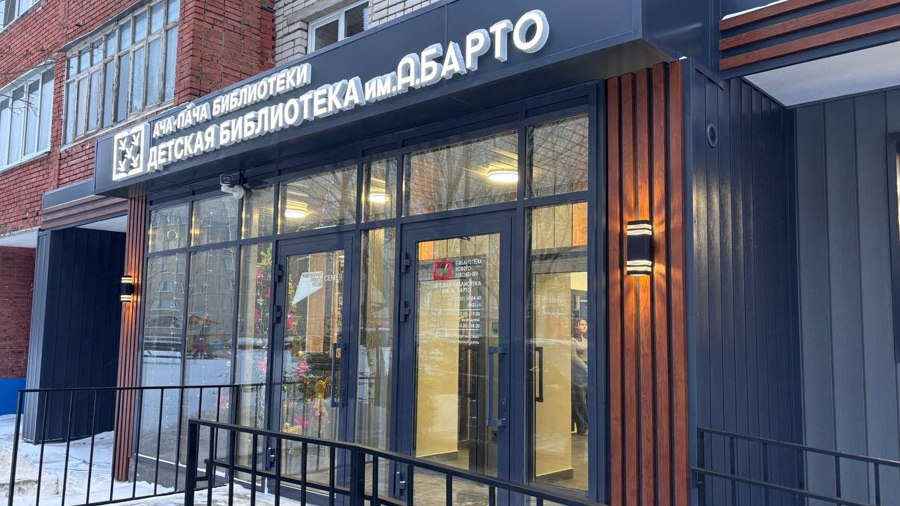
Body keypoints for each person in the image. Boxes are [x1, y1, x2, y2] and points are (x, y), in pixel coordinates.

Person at [571, 318, 589, 436]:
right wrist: (585, 367)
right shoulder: (572, 341)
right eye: (582, 324)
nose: (584, 326)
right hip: (578, 373)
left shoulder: (587, 340)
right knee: (580, 401)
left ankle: (589, 425)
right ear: (576, 326)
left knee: (588, 401)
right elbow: (573, 356)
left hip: (588, 372)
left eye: (585, 324)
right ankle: (582, 428)